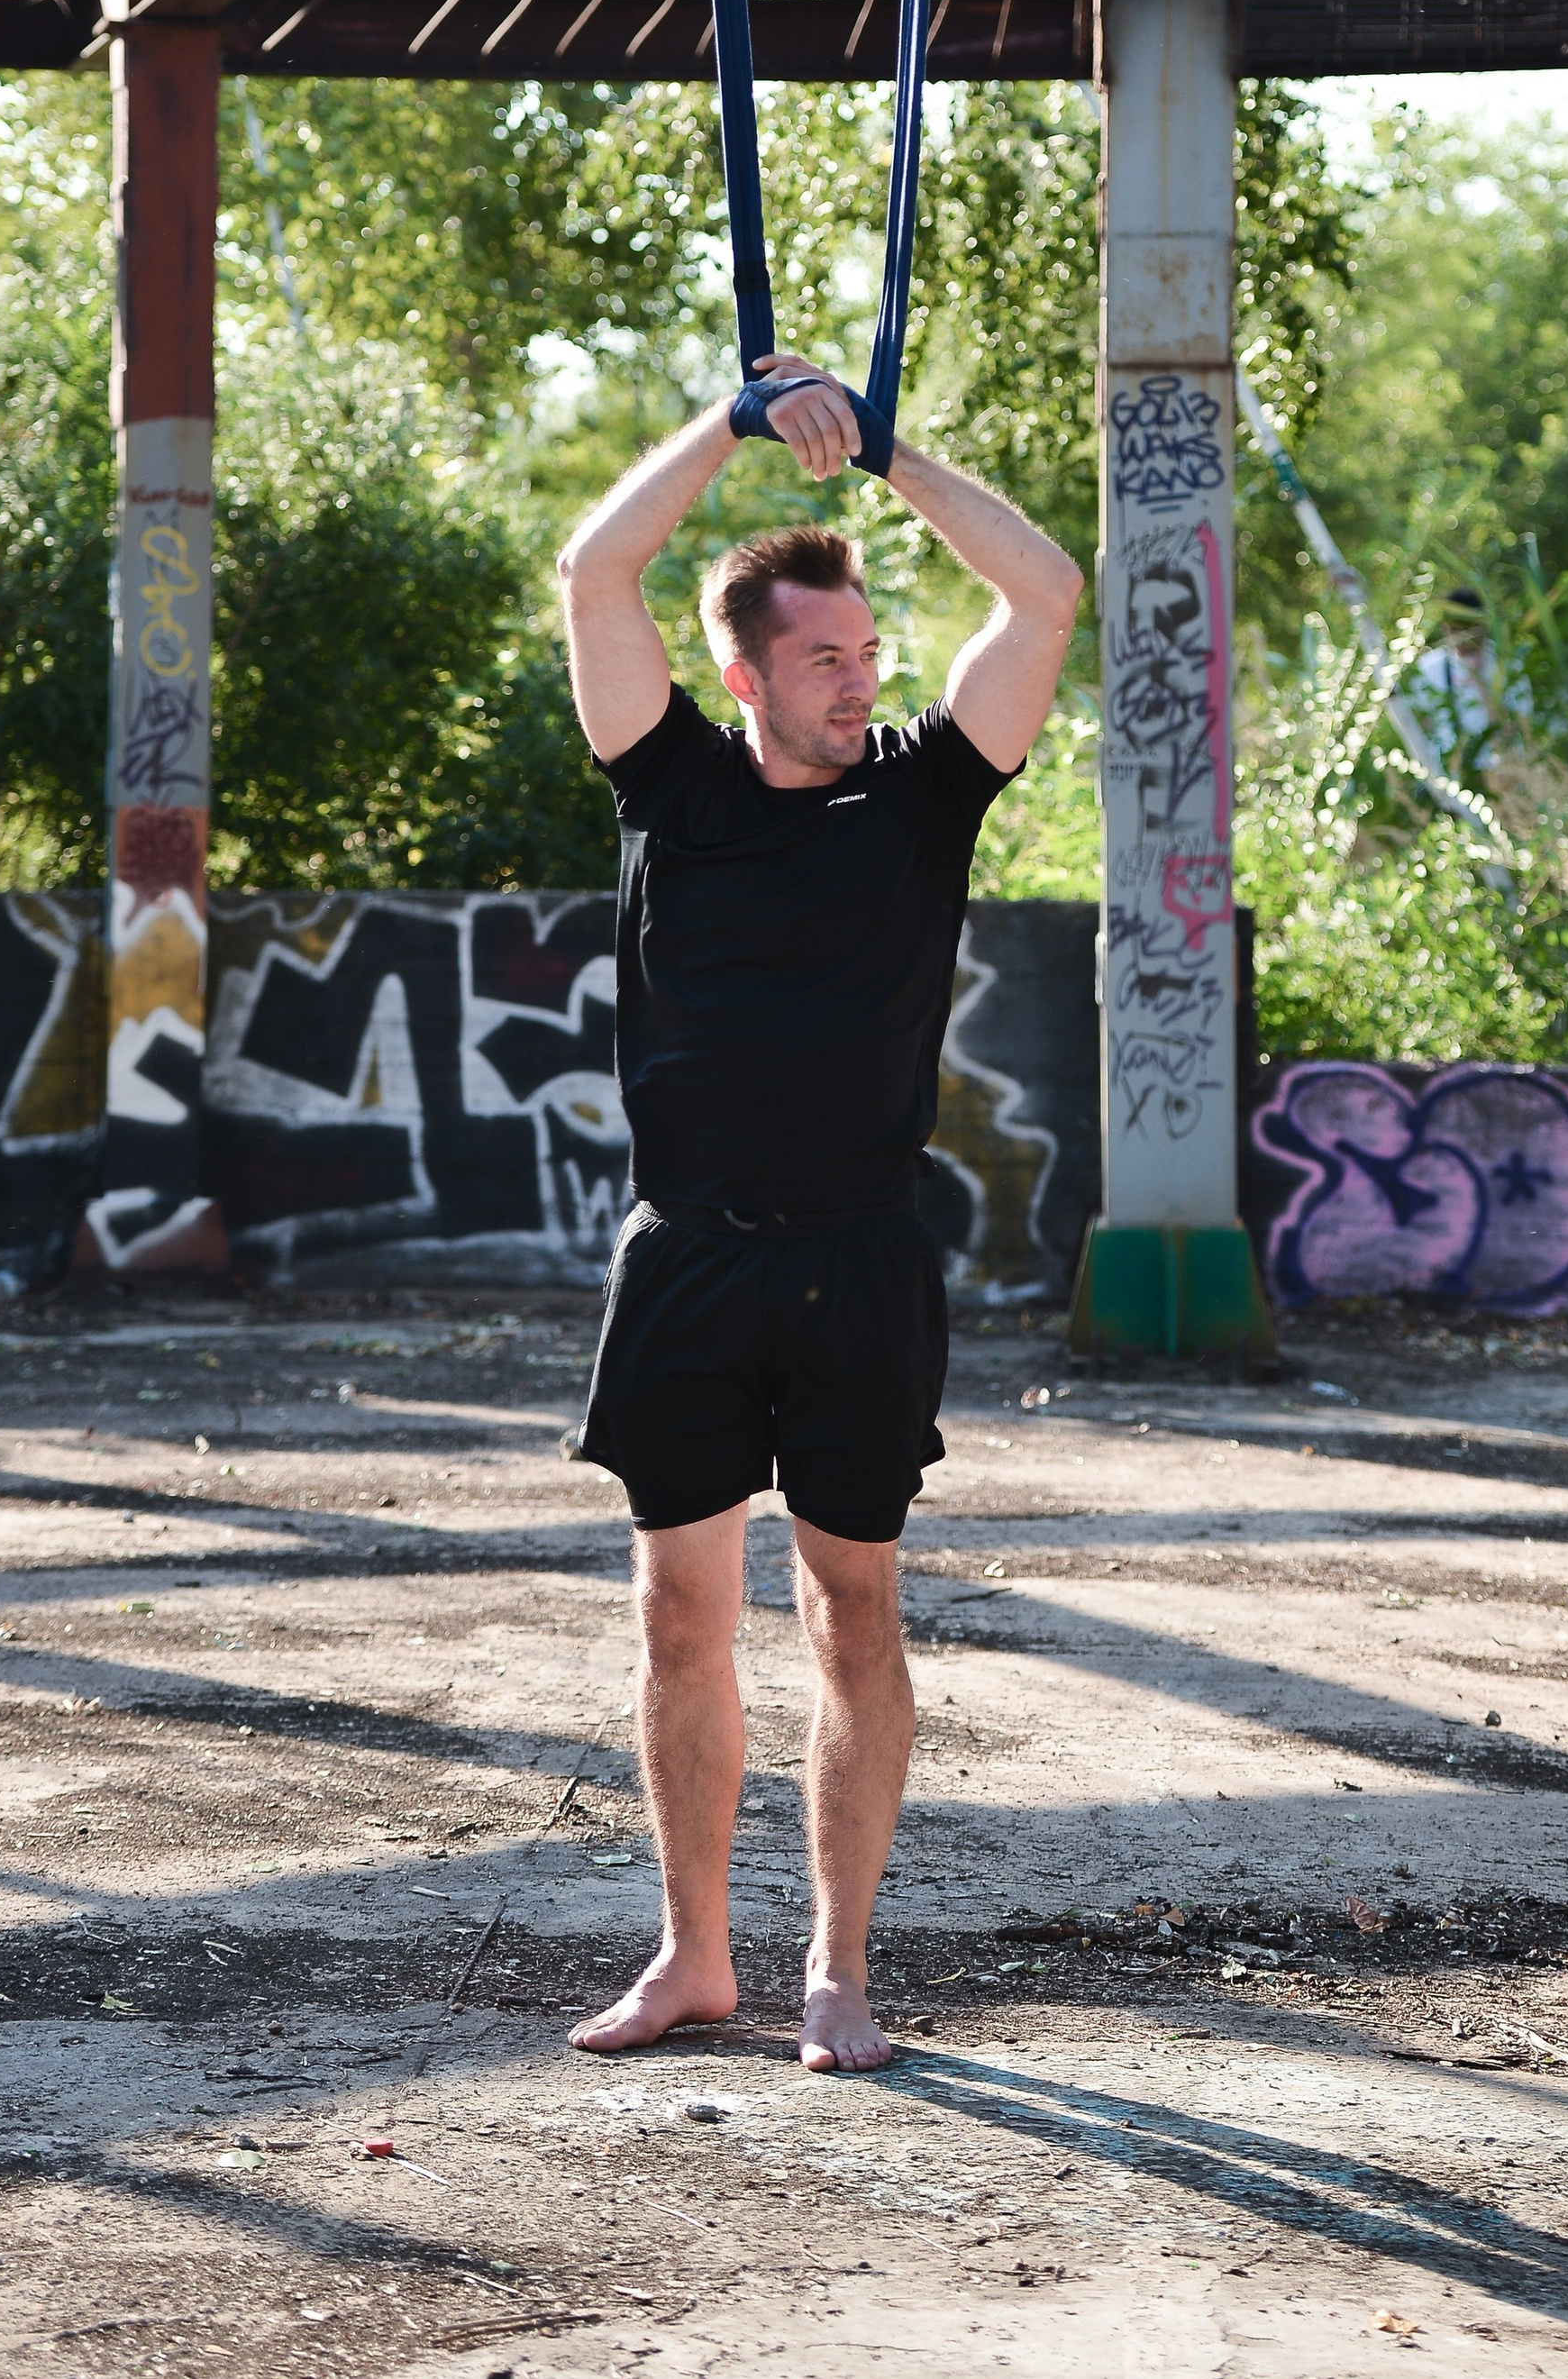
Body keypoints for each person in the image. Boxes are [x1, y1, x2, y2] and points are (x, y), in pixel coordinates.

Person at [554, 350, 1081, 2073]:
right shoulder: (672, 784)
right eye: (826, 657)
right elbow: (589, 571)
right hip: (690, 1253)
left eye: (869, 652)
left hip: (862, 1259)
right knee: (679, 1616)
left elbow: (1048, 590)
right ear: (745, 671)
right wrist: (729, 428)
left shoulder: (927, 792)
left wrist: (885, 448)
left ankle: (835, 1969)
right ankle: (693, 1956)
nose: (861, 681)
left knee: (854, 1609)